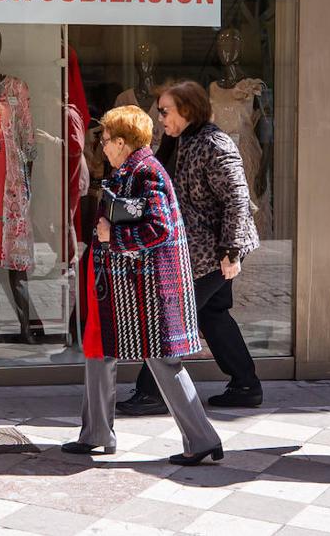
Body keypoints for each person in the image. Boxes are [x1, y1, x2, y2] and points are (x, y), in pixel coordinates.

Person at [64, 105, 224, 465]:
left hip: (149, 290)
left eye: (105, 140)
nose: (102, 146)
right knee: (100, 352)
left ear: (121, 142)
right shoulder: (132, 168)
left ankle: (202, 438)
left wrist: (112, 236)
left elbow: (159, 229)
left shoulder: (147, 171)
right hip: (127, 288)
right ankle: (96, 433)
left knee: (164, 361)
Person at [118, 81, 262, 416]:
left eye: (166, 111)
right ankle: (246, 384)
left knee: (172, 317)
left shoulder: (214, 144)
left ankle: (152, 392)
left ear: (187, 110)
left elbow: (237, 201)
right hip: (195, 250)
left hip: (212, 253)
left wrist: (231, 251)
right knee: (212, 315)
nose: (160, 117)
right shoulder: (179, 141)